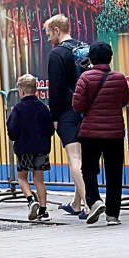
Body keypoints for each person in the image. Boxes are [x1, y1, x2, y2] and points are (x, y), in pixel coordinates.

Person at [71, 42, 129, 226]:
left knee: (89, 169)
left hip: (90, 133)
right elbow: (125, 100)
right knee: (114, 173)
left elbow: (77, 105)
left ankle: (94, 201)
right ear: (110, 58)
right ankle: (113, 214)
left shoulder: (85, 78)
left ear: (91, 58)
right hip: (114, 133)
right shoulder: (120, 78)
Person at [43, 14, 88, 219]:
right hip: (86, 110)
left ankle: (90, 204)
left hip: (67, 112)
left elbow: (56, 89)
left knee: (74, 158)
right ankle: (77, 204)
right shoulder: (84, 48)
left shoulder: (56, 54)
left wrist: (54, 116)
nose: (49, 39)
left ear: (57, 31)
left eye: (49, 34)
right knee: (83, 157)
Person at [6, 74, 55, 222]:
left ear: (21, 90)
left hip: (23, 148)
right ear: (36, 90)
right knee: (39, 180)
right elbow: (50, 130)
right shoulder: (43, 108)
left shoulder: (18, 109)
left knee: (22, 178)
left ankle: (30, 200)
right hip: (41, 148)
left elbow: (12, 131)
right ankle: (43, 210)